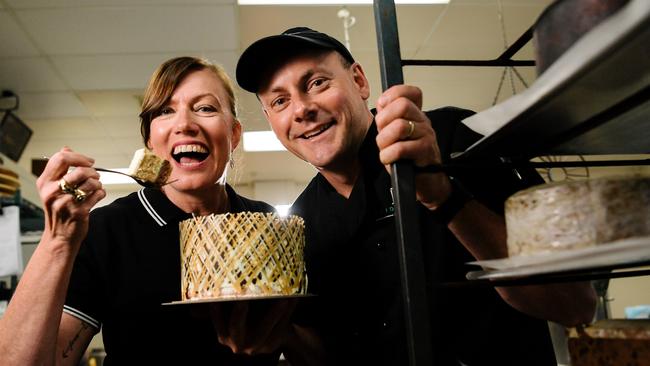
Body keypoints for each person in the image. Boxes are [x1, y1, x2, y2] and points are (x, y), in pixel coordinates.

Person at [235, 27, 598, 365]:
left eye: (317, 82)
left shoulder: (455, 140)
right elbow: (331, 352)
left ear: (359, 80)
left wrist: (445, 198)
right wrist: (275, 331)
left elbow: (575, 304)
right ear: (270, 119)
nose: (301, 109)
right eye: (280, 101)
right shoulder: (299, 225)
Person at [0, 57, 300, 365]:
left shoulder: (271, 228)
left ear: (234, 134)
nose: (185, 124)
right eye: (165, 111)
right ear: (150, 142)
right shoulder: (104, 230)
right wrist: (57, 240)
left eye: (206, 108)